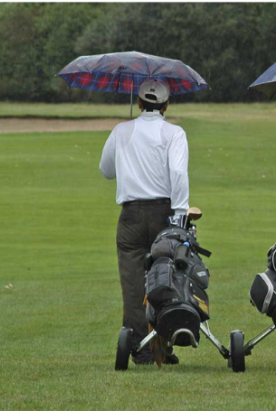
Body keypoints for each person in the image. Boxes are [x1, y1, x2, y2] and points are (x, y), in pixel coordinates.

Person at [100, 79, 189, 365]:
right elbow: (178, 172)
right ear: (166, 105)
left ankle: (139, 347)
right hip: (164, 213)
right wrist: (181, 213)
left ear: (139, 103)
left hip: (130, 215)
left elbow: (106, 171)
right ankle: (162, 348)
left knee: (133, 283)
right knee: (166, 278)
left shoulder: (121, 131)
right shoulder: (174, 133)